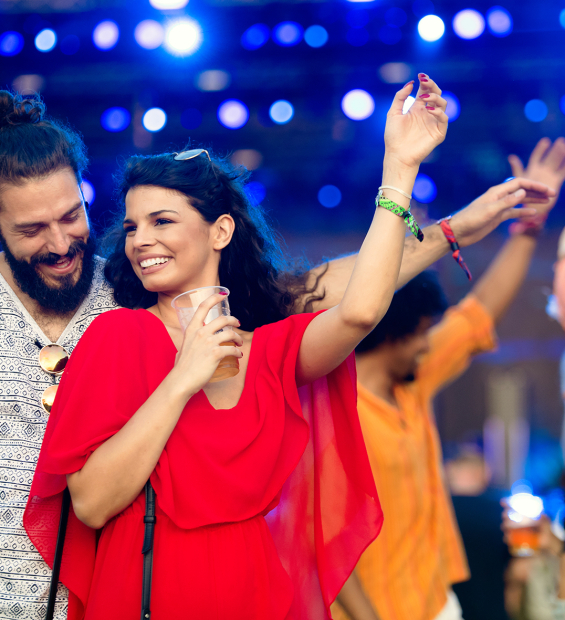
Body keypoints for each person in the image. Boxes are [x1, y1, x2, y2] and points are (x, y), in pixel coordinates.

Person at [0, 86, 553, 618]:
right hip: (123, 592)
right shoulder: (119, 330)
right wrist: (182, 377)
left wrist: (407, 176)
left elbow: (347, 300)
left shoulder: (263, 347)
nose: (61, 241)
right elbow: (91, 504)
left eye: (73, 217)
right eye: (132, 227)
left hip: (256, 593)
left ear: (221, 231)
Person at [332, 137, 565, 620]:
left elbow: (482, 310)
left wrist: (528, 228)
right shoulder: (332, 411)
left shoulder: (412, 378)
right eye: (421, 333)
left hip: (437, 600)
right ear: (390, 334)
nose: (429, 342)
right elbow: (320, 536)